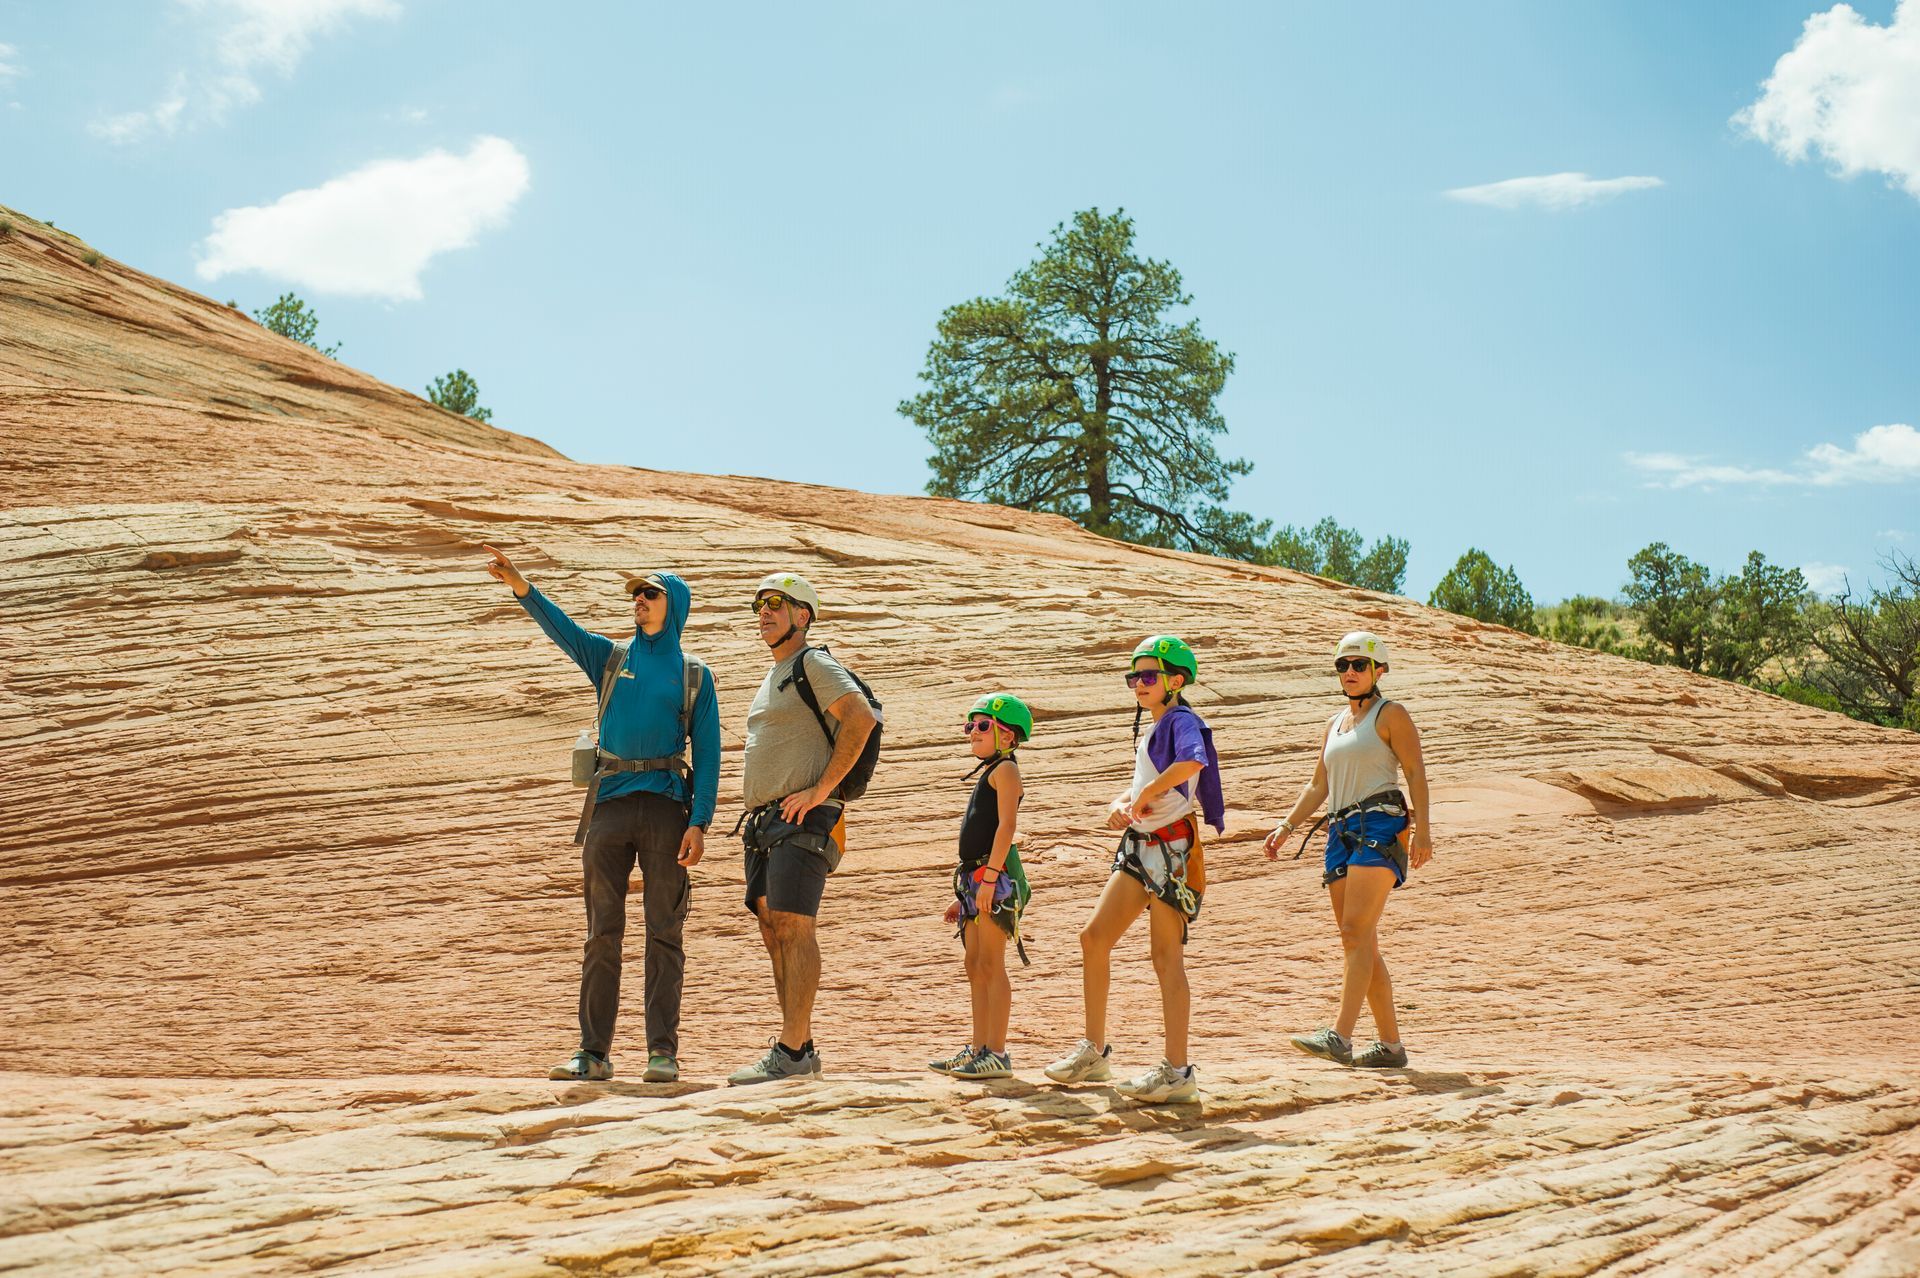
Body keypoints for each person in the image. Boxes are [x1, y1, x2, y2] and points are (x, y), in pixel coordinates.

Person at [481, 545, 719, 1085]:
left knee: (665, 933)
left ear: (673, 605)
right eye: (636, 592)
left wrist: (699, 822)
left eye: (650, 593)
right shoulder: (610, 658)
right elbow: (560, 629)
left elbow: (708, 755)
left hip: (665, 809)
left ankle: (662, 1054)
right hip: (608, 807)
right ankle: (593, 1053)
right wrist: (521, 585)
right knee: (600, 933)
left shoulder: (695, 676)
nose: (639, 599)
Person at [1045, 635, 1224, 1104]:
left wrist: (1141, 798)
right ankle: (1095, 1052)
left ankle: (1178, 1072)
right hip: (1144, 847)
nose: (1138, 685)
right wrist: (1123, 801)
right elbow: (1150, 783)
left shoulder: (1181, 719)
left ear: (1176, 680)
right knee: (1094, 937)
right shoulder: (1157, 726)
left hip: (1170, 852)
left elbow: (1190, 763)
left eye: (1148, 676)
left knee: (1166, 959)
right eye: (1134, 677)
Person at [727, 572, 879, 1085]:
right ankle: (799, 1045)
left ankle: (791, 1051)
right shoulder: (777, 674)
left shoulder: (814, 662)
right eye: (759, 605)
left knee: (795, 927)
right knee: (774, 931)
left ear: (803, 615)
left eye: (776, 603)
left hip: (804, 819)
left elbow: (861, 719)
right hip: (768, 822)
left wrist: (820, 790)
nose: (764, 612)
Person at [1263, 631, 1432, 1069]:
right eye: (1344, 666)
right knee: (1360, 942)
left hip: (1379, 824)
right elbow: (1318, 784)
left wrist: (1423, 831)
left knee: (1356, 932)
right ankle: (1392, 1047)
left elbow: (1414, 772)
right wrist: (1286, 826)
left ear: (1379, 671)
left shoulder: (1391, 714)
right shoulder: (1335, 723)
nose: (1351, 673)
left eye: (1359, 665)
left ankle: (1340, 1036)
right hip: (1338, 833)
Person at [929, 694, 1032, 1081]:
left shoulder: (1005, 771)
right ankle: (978, 1048)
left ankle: (997, 1053)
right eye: (970, 725)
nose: (973, 732)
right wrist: (966, 894)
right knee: (974, 965)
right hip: (975, 879)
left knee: (991, 964)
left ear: (1008, 737)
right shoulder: (991, 769)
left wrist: (989, 878)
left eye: (983, 726)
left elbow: (1006, 827)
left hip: (994, 878)